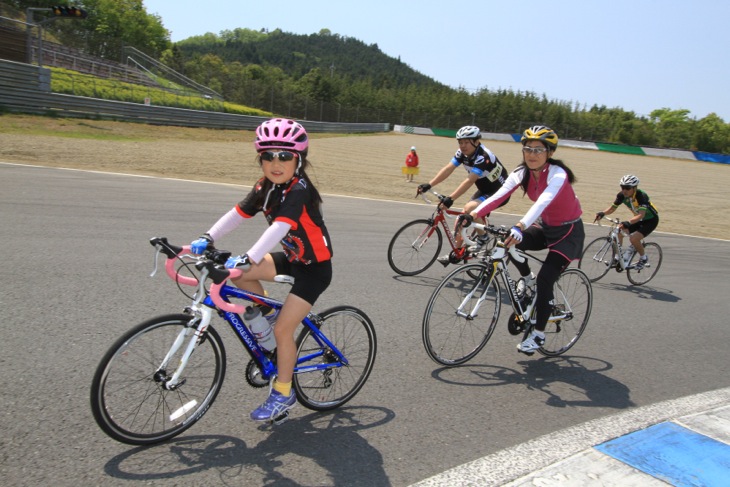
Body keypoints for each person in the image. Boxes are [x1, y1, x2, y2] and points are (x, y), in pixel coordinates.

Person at [189, 118, 333, 421]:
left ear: (299, 159)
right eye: (267, 156)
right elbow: (237, 214)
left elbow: (280, 227)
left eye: (284, 155)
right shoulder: (265, 186)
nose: (275, 162)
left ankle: (284, 392)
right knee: (237, 275)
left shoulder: (299, 189)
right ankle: (269, 313)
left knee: (283, 332)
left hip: (315, 269)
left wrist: (250, 255)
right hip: (292, 257)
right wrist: (207, 236)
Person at [460, 125, 584, 354]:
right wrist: (472, 214)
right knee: (506, 243)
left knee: (546, 278)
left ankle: (538, 334)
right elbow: (500, 195)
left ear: (550, 153)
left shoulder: (558, 174)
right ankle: (526, 278)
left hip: (568, 232)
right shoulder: (522, 172)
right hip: (544, 226)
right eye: (527, 148)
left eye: (538, 150)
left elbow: (543, 201)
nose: (531, 154)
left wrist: (520, 225)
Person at [416, 125, 509, 265]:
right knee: (461, 220)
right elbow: (448, 168)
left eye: (466, 142)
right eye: (460, 142)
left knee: (470, 208)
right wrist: (430, 184)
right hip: (484, 190)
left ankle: (483, 238)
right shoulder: (462, 153)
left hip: (499, 192)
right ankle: (457, 253)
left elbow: (470, 180)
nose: (463, 145)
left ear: (476, 141)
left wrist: (451, 199)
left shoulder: (483, 157)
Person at [594, 174, 659, 270]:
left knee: (633, 239)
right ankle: (617, 258)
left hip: (650, 220)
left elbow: (641, 215)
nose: (624, 190)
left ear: (634, 188)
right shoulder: (621, 195)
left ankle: (643, 258)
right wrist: (603, 213)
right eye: (622, 187)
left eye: (627, 188)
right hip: (638, 219)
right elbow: (612, 208)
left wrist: (628, 222)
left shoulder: (641, 196)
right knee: (619, 231)